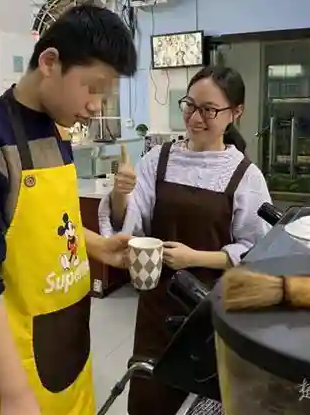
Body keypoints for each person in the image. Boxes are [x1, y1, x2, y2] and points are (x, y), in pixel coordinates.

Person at [0, 4, 137, 415]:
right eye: (92, 87)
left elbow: (49, 226)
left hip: (67, 357)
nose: (97, 106)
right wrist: (14, 393)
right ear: (50, 62)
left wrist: (98, 246)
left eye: (106, 94)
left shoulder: (56, 133)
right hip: (10, 376)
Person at [98, 65, 272, 415]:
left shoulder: (245, 175)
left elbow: (257, 249)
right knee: (149, 399)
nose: (195, 118)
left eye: (209, 110)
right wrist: (119, 194)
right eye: (189, 105)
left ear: (235, 113)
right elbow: (129, 226)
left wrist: (195, 258)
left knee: (205, 400)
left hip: (212, 309)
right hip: (157, 306)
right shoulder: (157, 160)